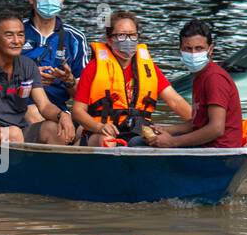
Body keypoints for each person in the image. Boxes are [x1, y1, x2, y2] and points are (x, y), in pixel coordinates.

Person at [71, 10, 192, 146]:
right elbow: (77, 111)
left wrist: (200, 122)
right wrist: (99, 127)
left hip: (138, 130)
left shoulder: (147, 68)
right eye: (121, 35)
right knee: (108, 141)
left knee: (169, 138)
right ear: (109, 40)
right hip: (102, 132)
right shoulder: (94, 68)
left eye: (132, 35)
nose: (128, 40)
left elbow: (175, 101)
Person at [0, 10, 76, 145]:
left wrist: (63, 115)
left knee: (54, 129)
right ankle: (21, 165)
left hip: (19, 131)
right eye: (9, 35)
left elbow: (44, 105)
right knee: (14, 133)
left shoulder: (28, 66)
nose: (16, 41)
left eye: (20, 35)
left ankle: (51, 166)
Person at [147, 20, 244, 149]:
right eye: (188, 48)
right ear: (181, 50)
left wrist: (172, 142)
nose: (193, 54)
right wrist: (167, 130)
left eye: (199, 48)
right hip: (207, 146)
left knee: (138, 144)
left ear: (210, 49)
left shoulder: (214, 78)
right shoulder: (200, 76)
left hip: (218, 150)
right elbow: (197, 122)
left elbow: (216, 128)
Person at [20, 0, 88, 113]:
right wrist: (29, 78)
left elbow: (83, 98)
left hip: (59, 110)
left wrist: (68, 80)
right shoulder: (15, 31)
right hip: (18, 109)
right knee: (33, 112)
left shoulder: (75, 38)